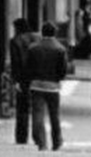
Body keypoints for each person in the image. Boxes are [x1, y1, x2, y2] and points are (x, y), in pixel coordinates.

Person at [25, 20, 68, 151]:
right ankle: (57, 141)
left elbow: (28, 67)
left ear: (42, 32)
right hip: (53, 86)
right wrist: (58, 79)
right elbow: (63, 70)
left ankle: (41, 142)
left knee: (38, 114)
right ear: (55, 33)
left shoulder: (33, 48)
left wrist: (30, 79)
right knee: (54, 115)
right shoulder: (60, 49)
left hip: (36, 85)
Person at [9, 18, 40, 144]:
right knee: (37, 109)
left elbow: (15, 62)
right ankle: (38, 137)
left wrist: (16, 80)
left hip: (23, 79)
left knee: (22, 109)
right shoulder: (37, 39)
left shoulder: (15, 41)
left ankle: (21, 137)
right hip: (37, 78)